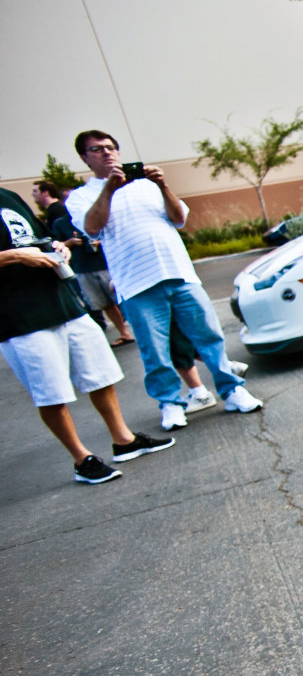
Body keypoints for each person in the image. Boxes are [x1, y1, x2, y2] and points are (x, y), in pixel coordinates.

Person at [65, 130, 262, 432]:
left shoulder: (146, 185)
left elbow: (178, 217)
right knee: (154, 350)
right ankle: (171, 403)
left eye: (110, 147)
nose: (106, 153)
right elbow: (92, 227)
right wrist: (110, 189)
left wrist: (163, 185)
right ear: (84, 157)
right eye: (97, 149)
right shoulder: (82, 197)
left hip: (179, 273)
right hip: (135, 284)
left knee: (209, 337)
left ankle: (232, 390)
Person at [1, 185, 173, 484]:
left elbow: (39, 236)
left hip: (63, 302)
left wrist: (58, 246)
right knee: (51, 393)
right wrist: (16, 256)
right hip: (19, 318)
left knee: (100, 374)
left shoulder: (7, 196)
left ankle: (124, 440)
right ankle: (82, 459)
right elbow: (19, 249)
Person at [34, 181, 137, 346]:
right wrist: (70, 242)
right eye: (68, 199)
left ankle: (138, 328)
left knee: (124, 298)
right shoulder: (60, 223)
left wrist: (99, 242)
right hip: (82, 267)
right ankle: (124, 333)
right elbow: (56, 246)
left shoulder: (94, 215)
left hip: (104, 264)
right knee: (103, 303)